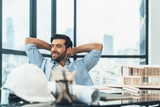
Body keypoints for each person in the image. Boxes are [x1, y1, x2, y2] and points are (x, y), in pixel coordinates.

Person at [25, 34, 103, 86]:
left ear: (68, 50)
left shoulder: (81, 65)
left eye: (58, 46)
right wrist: (54, 49)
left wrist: (73, 50)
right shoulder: (42, 64)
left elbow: (98, 47)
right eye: (53, 46)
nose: (53, 49)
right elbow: (29, 41)